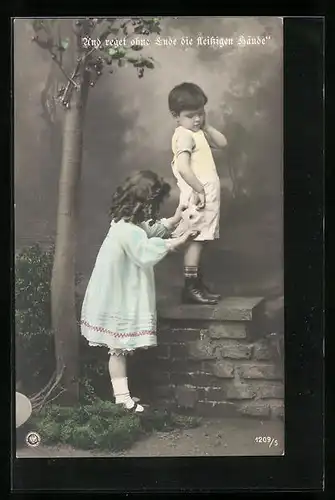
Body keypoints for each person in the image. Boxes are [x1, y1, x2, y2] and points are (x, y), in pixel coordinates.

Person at [80, 170, 199, 413]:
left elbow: (149, 231)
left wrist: (175, 219)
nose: (153, 212)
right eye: (153, 207)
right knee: (118, 349)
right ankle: (122, 400)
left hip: (118, 291)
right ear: (143, 204)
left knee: (120, 349)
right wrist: (176, 241)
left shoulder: (127, 224)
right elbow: (145, 252)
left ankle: (123, 398)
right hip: (116, 296)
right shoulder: (127, 231)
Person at [168, 82, 228, 304]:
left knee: (202, 239)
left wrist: (206, 125)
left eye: (200, 114)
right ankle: (190, 288)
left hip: (206, 196)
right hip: (198, 196)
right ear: (176, 116)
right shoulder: (184, 135)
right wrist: (199, 189)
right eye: (190, 115)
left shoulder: (197, 131)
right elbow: (183, 167)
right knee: (196, 240)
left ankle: (197, 285)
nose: (197, 119)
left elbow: (223, 143)